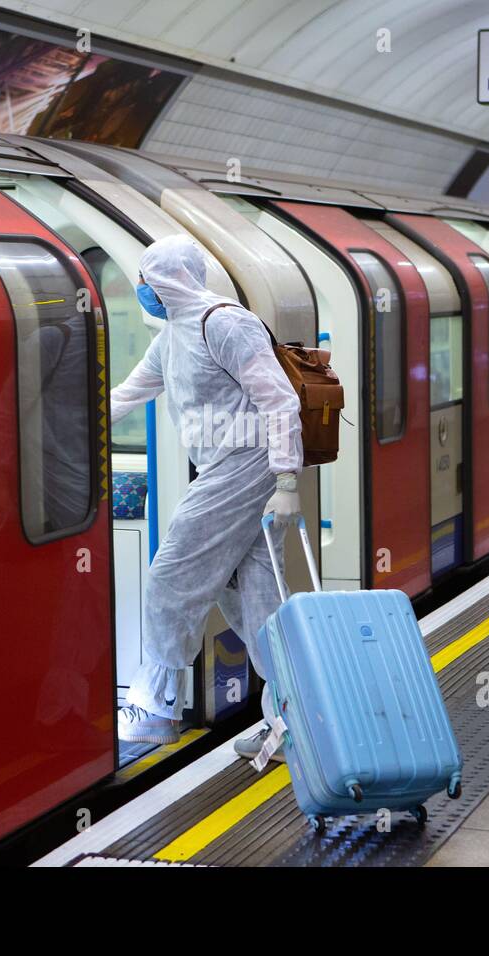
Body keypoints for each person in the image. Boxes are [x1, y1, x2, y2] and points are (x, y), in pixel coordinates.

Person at [109, 234, 302, 760]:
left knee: (172, 572)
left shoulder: (226, 323)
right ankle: (292, 720)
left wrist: (286, 479)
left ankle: (157, 702)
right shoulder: (171, 333)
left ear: (170, 277)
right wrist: (68, 424)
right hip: (220, 466)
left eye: (146, 278)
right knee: (254, 599)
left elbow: (279, 399)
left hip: (247, 463)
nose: (142, 289)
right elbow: (131, 392)